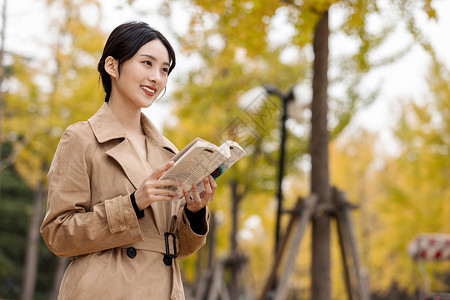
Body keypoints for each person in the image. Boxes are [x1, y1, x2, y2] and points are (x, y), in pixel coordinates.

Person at [40, 21, 217, 300]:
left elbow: (175, 248)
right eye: (147, 63)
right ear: (112, 66)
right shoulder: (81, 138)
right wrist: (133, 204)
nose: (157, 78)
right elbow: (58, 235)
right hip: (105, 291)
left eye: (164, 69)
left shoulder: (169, 152)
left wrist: (195, 212)